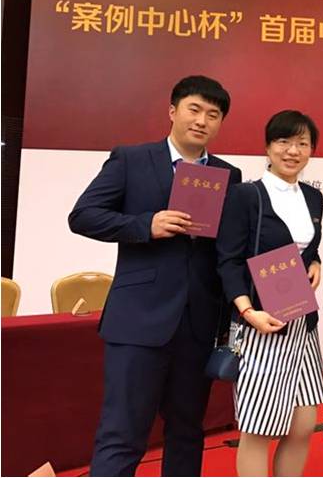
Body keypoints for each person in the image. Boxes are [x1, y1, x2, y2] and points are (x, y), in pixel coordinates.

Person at [68, 75, 242, 476]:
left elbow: (230, 247)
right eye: (194, 109)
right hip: (138, 322)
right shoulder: (131, 160)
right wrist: (146, 224)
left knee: (187, 431)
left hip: (198, 324)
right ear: (172, 111)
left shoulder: (227, 174)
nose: (202, 120)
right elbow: (83, 215)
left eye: (213, 114)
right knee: (123, 432)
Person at [216, 110, 323, 476]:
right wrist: (248, 312)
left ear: (311, 150)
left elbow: (307, 246)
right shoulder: (246, 195)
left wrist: (315, 262)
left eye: (302, 143)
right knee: (258, 430)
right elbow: (228, 260)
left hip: (302, 325)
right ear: (267, 146)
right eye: (284, 141)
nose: (292, 151)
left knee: (303, 424)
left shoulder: (313, 197)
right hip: (261, 324)